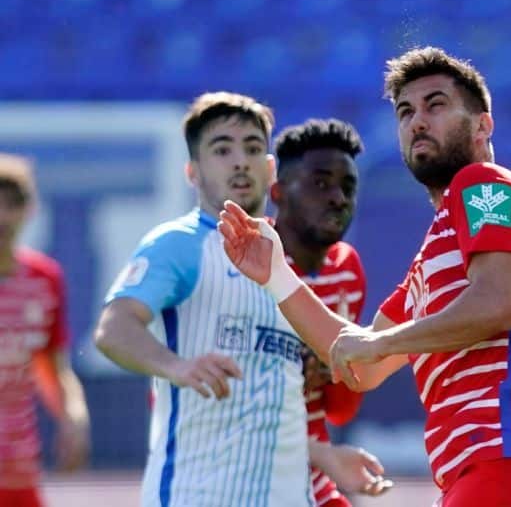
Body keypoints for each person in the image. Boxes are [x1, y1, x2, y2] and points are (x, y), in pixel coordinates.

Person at [218, 47, 511, 506]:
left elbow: (497, 304)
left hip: (509, 454)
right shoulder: (438, 247)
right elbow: (362, 365)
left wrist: (382, 343)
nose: (417, 122)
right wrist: (276, 277)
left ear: (483, 125)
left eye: (436, 105)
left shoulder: (485, 183)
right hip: (490, 467)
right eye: (406, 111)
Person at [92, 91, 316, 506]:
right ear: (192, 172)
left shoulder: (288, 258)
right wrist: (176, 365)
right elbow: (113, 329)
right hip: (198, 493)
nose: (239, 161)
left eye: (252, 148)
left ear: (270, 169)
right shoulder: (178, 244)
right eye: (221, 149)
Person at [271, 118, 391, 504]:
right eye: (320, 183)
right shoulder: (249, 264)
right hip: (244, 472)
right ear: (278, 192)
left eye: (348, 187)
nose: (338, 197)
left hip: (313, 475)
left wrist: (333, 368)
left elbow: (340, 410)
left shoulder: (346, 268)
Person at [0, 154, 90, 507]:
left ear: (30, 210)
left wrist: (73, 417)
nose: (3, 217)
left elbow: (52, 366)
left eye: (13, 204)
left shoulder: (45, 279)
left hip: (20, 468)